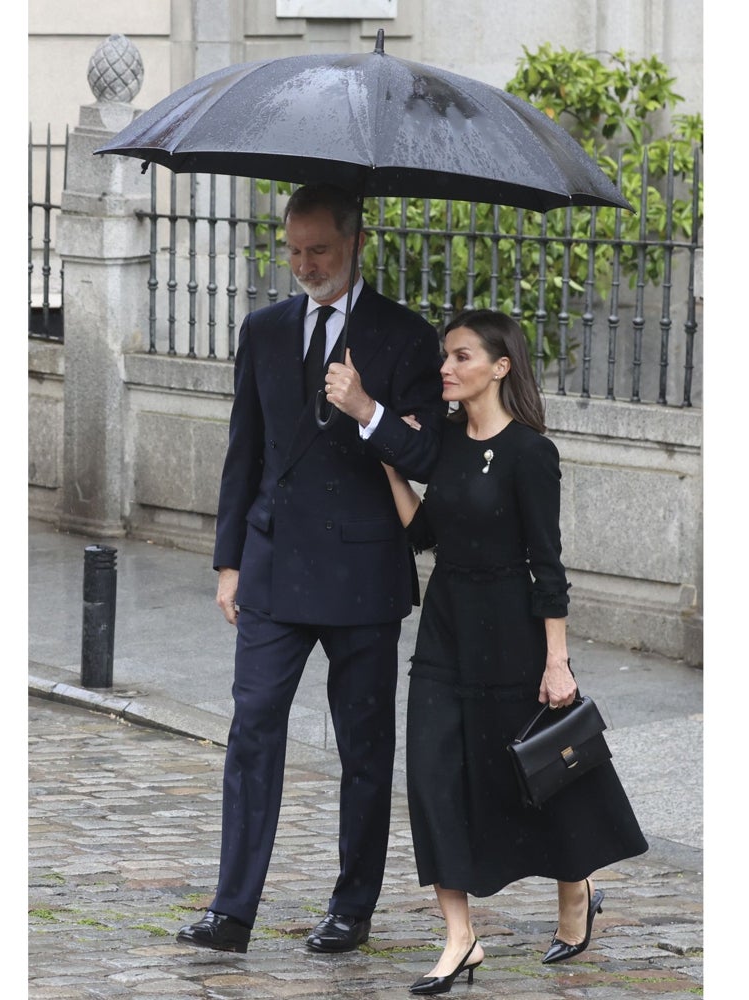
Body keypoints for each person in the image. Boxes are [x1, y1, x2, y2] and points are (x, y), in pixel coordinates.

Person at [176, 183, 447, 955]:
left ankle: (351, 908)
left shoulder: (404, 336)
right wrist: (229, 561)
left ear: (357, 242)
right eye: (292, 249)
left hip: (363, 574)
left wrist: (367, 409)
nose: (303, 264)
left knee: (364, 749)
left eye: (318, 250)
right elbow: (244, 453)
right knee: (252, 729)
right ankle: (232, 911)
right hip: (271, 566)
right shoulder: (262, 330)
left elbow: (427, 455)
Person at [370, 309, 648, 994]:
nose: (447, 367)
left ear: (499, 367)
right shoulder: (446, 442)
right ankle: (460, 939)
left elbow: (547, 567)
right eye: (445, 356)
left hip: (514, 636)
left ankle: (575, 889)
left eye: (461, 356)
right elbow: (428, 532)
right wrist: (389, 465)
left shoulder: (530, 453)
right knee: (433, 778)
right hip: (445, 632)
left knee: (531, 778)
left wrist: (557, 661)